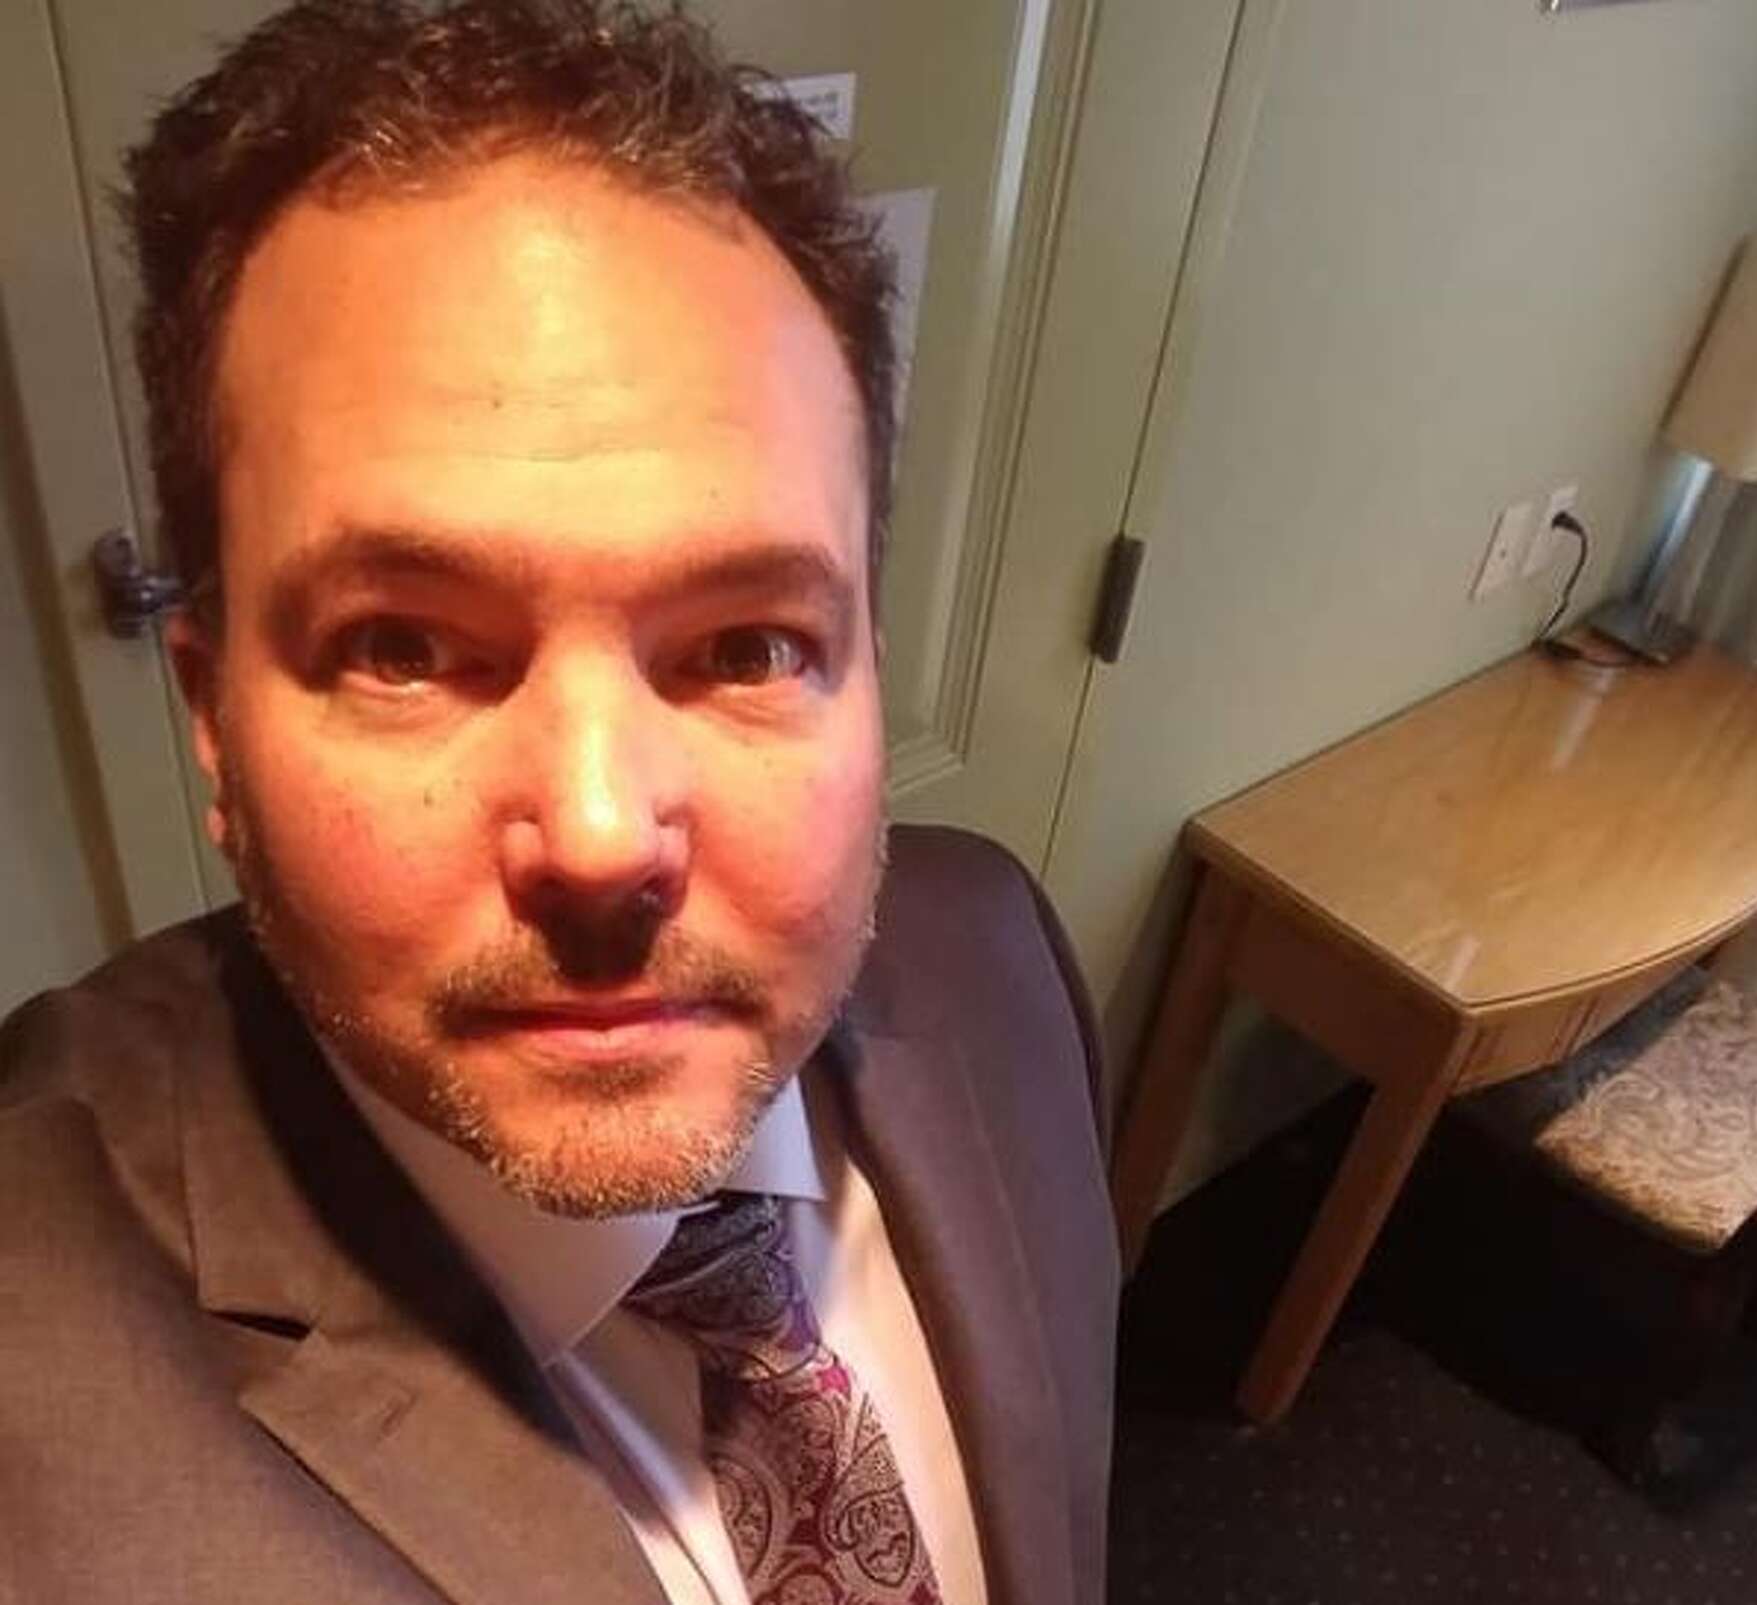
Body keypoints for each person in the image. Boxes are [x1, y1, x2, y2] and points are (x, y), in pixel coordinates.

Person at [0, 4, 1116, 1602]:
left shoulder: (1000, 955)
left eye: (747, 645)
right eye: (402, 647)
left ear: (872, 664)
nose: (599, 834)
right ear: (212, 721)